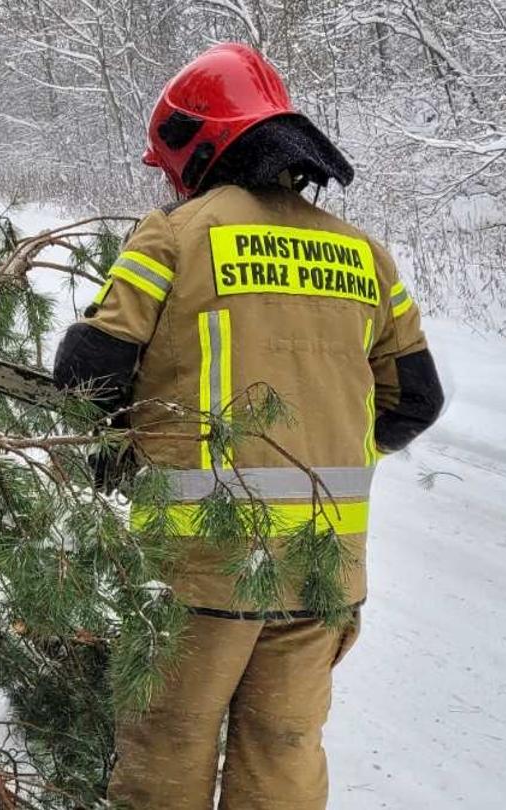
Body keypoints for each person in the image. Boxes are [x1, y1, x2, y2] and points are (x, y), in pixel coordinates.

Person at [51, 43, 445, 809]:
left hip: (198, 568)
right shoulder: (367, 255)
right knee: (284, 755)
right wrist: (335, 447)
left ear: (198, 147)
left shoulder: (173, 235)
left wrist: (114, 450)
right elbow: (417, 400)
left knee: (167, 751)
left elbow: (89, 373)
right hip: (324, 568)